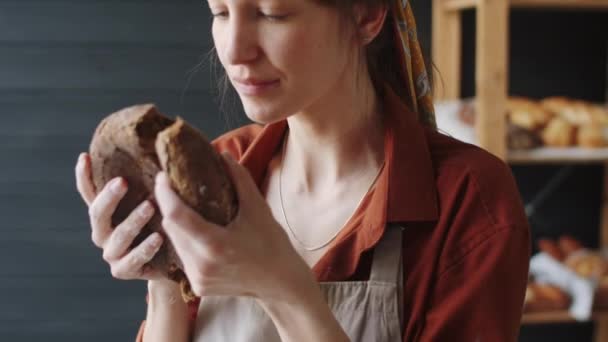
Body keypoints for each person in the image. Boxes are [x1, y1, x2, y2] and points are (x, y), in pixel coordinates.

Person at [75, 0, 531, 340]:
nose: (235, 50)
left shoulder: (470, 200)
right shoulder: (219, 169)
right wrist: (164, 275)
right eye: (220, 12)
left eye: (272, 14)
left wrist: (282, 287)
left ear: (367, 15)